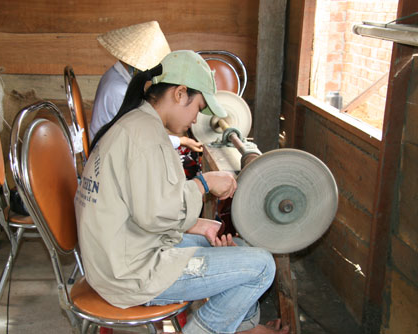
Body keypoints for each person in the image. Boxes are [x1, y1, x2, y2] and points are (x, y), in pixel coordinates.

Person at [75, 50, 289, 334]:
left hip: (124, 253)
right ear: (179, 93)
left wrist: (197, 224)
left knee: (241, 250)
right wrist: (204, 184)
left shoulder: (139, 124)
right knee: (262, 266)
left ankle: (244, 329)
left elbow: (143, 206)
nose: (195, 119)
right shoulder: (145, 137)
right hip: (130, 273)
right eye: (198, 109)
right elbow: (155, 214)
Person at [90, 21, 202, 154]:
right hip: (107, 152)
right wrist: (180, 141)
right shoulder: (117, 89)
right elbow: (143, 138)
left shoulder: (116, 75)